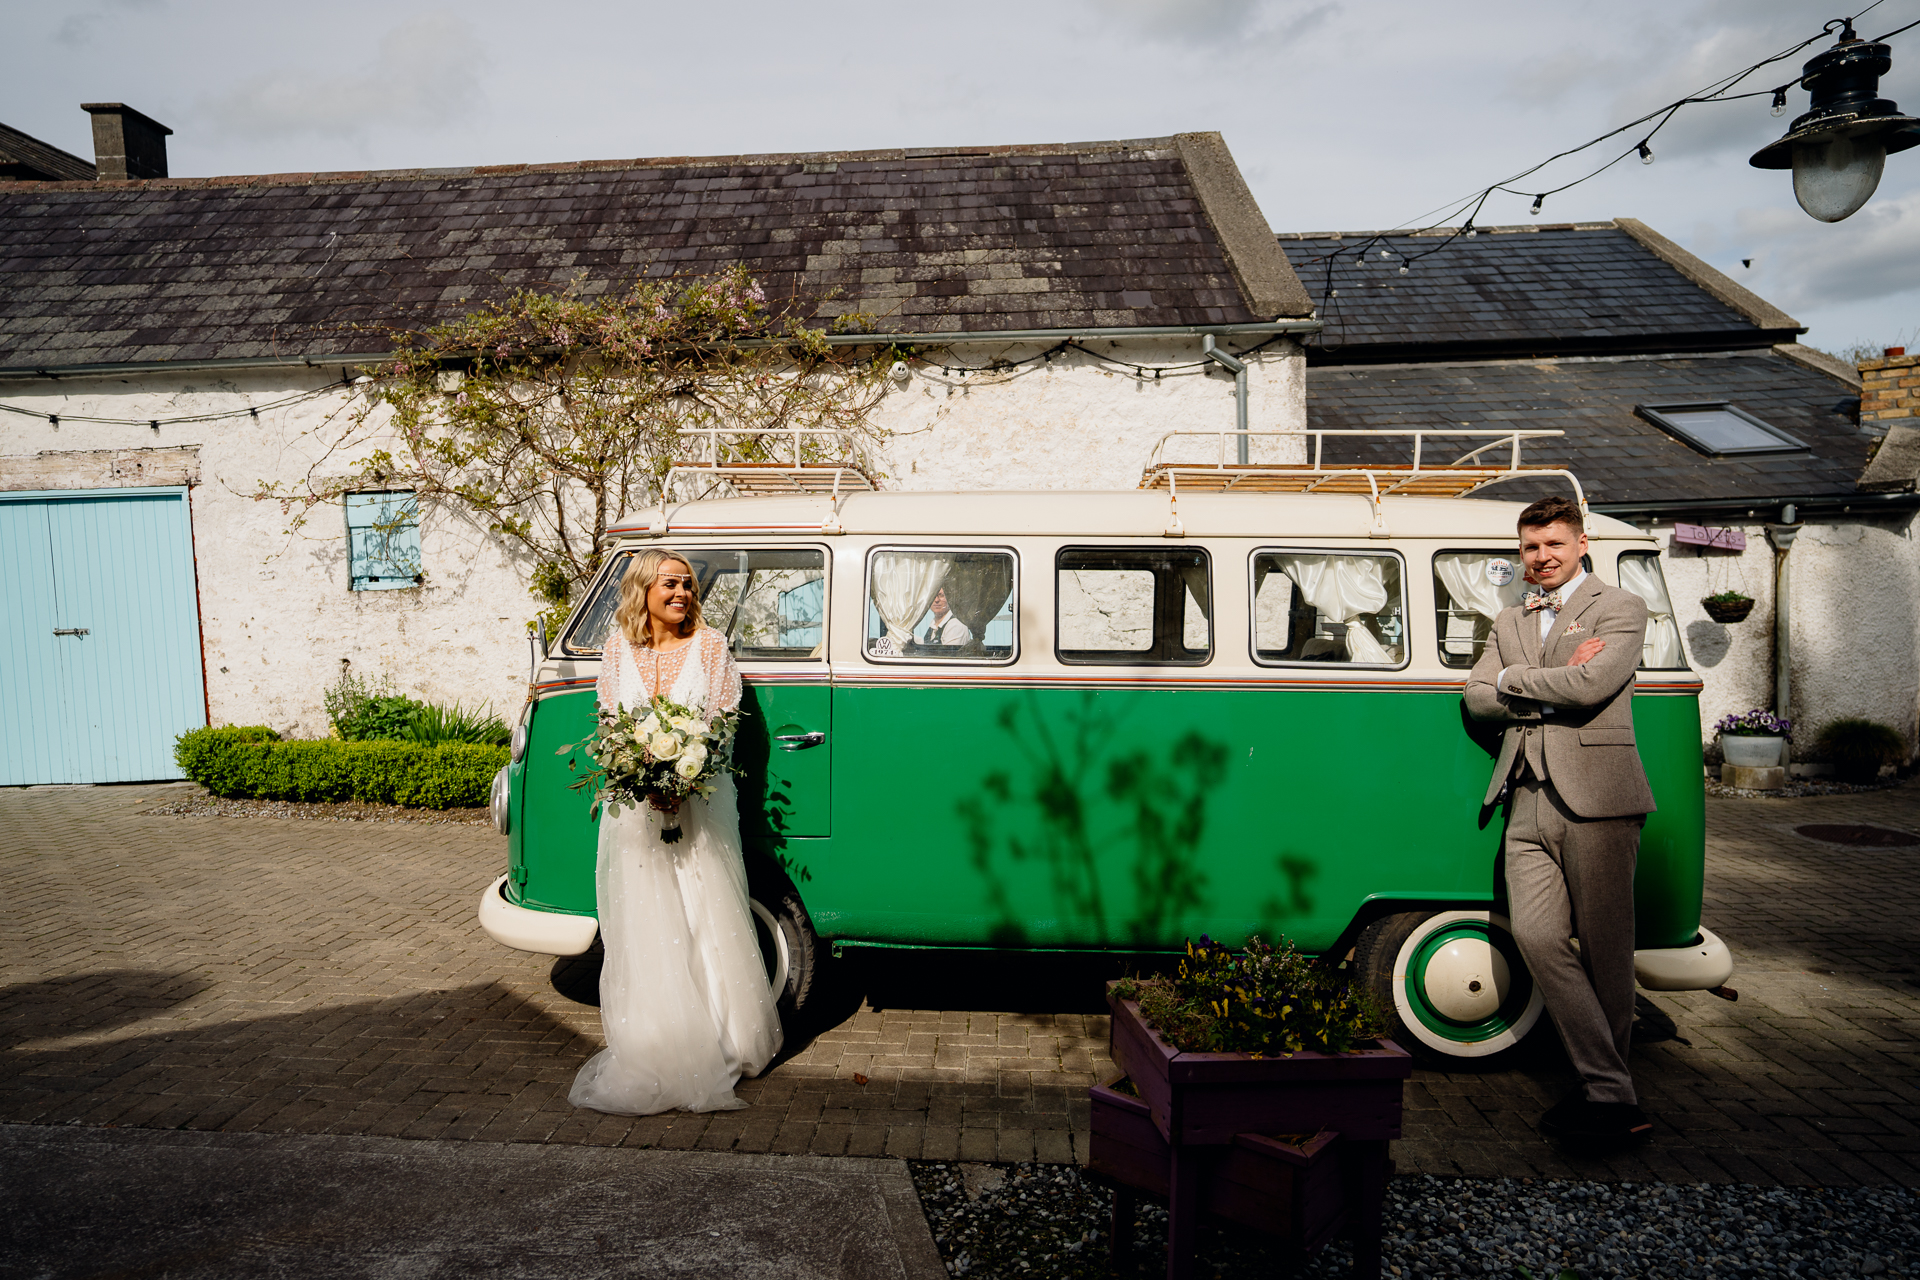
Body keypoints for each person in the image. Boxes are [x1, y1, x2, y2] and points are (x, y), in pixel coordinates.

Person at [1464, 496, 1657, 1147]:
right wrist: (1541, 678)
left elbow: (1595, 683)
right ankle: (1611, 1090)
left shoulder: (1619, 607)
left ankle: (1608, 1095)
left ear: (1580, 543)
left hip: (1600, 796)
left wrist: (1518, 680)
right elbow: (1475, 696)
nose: (1541, 557)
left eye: (1553, 544)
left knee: (1607, 952)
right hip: (1526, 796)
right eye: (1530, 547)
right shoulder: (1509, 617)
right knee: (1539, 937)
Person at [569, 548, 783, 1115]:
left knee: (703, 912)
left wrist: (686, 779)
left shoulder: (712, 649)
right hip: (637, 810)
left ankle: (725, 1038)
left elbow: (720, 728)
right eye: (670, 584)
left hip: (701, 804)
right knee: (646, 921)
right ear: (642, 590)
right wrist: (642, 779)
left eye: (688, 585)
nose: (682, 594)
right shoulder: (618, 651)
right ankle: (656, 1045)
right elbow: (611, 727)